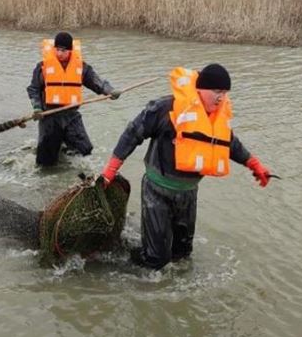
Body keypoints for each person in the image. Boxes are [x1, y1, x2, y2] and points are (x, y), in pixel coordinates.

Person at [100, 63, 272, 270]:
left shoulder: (217, 117)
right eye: (217, 92)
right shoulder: (165, 108)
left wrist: (254, 164)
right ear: (200, 89)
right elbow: (133, 133)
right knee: (155, 261)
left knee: (181, 256)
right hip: (157, 192)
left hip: (188, 195)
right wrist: (111, 170)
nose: (221, 98)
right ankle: (122, 265)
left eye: (225, 93)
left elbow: (230, 144)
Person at [27, 32, 120, 166]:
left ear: (70, 50)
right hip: (49, 116)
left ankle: (66, 149)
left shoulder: (81, 67)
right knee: (45, 163)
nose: (59, 53)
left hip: (71, 115)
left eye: (63, 50)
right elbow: (33, 89)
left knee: (85, 151)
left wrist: (110, 91)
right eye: (57, 50)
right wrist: (36, 107)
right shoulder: (43, 67)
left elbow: (97, 82)